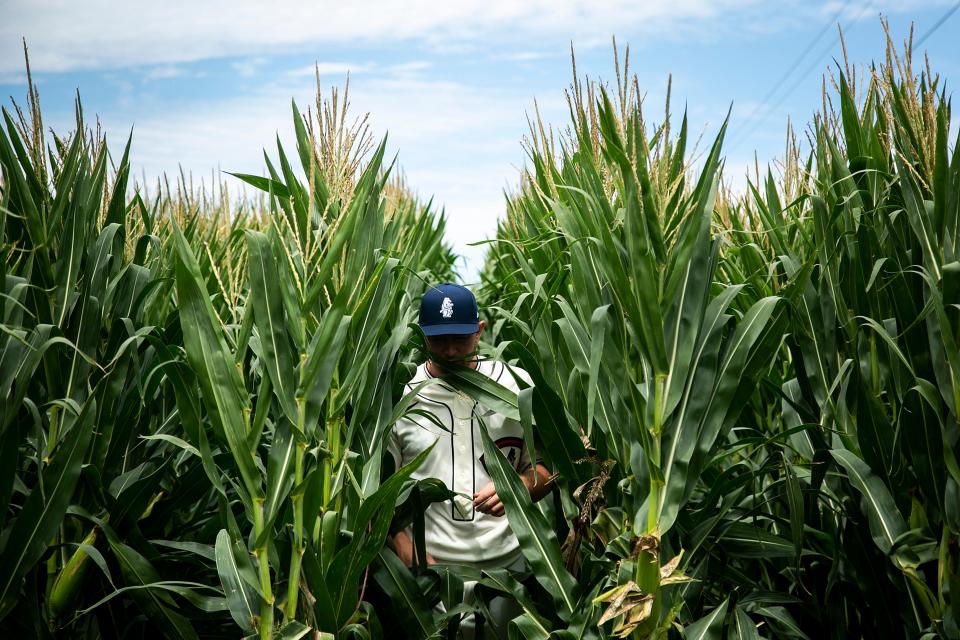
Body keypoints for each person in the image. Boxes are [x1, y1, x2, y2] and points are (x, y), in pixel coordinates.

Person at [386, 282, 553, 639]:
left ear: (480, 331)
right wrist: (405, 551)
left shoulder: (516, 387)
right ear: (422, 337)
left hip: (509, 573)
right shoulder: (404, 400)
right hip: (432, 577)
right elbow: (381, 495)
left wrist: (520, 487)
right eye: (438, 340)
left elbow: (550, 468)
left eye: (460, 340)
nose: (449, 350)